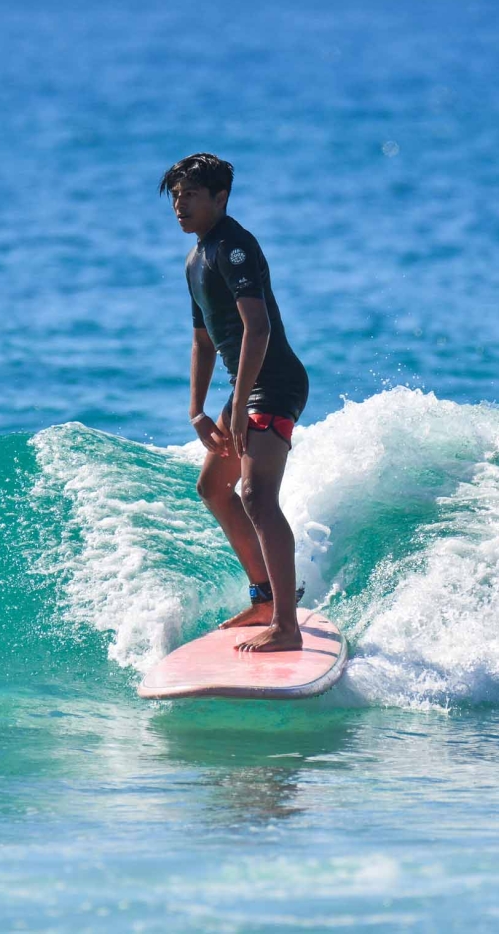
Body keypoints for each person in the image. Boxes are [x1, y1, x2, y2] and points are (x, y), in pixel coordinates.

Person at [161, 153, 309, 653]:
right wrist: (198, 410)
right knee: (212, 487)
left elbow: (258, 327)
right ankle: (265, 596)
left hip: (274, 385)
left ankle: (286, 627)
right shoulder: (195, 259)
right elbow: (203, 340)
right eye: (176, 196)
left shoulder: (235, 247)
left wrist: (242, 406)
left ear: (220, 198)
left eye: (191, 196)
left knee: (256, 496)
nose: (180, 205)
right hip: (243, 390)